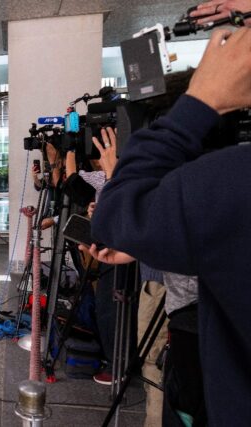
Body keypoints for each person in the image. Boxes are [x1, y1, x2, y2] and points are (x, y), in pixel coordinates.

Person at [91, 28, 251, 426]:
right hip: (194, 322)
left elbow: (119, 214)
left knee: (161, 388)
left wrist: (199, 103)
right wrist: (140, 243)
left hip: (202, 356)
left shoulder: (227, 180)